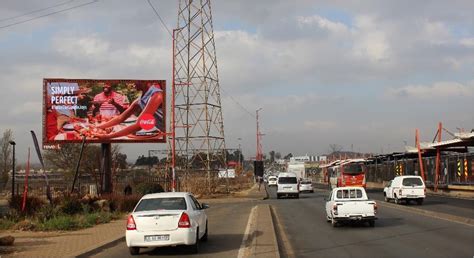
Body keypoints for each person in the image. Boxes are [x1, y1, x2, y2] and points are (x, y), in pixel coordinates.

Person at [92, 81, 164, 140]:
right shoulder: (141, 99)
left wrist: (107, 137)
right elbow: (121, 118)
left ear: (144, 81)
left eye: (135, 81)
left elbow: (139, 125)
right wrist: (98, 127)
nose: (132, 83)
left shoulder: (157, 95)